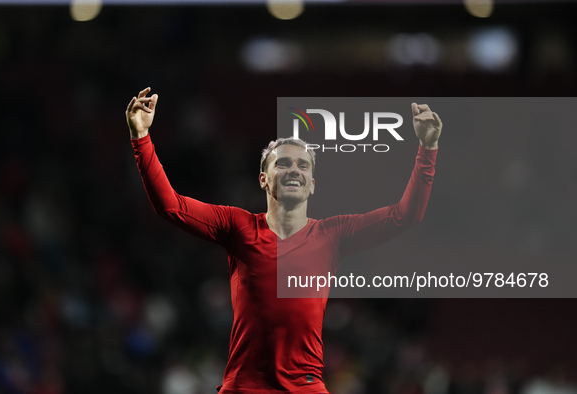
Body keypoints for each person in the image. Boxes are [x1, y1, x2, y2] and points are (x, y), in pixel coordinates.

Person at [126, 87, 442, 394]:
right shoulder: (238, 226)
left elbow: (406, 215)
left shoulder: (332, 235)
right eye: (283, 163)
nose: (294, 169)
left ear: (312, 184)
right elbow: (170, 205)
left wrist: (427, 149)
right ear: (263, 179)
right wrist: (141, 138)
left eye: (303, 165)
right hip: (245, 388)